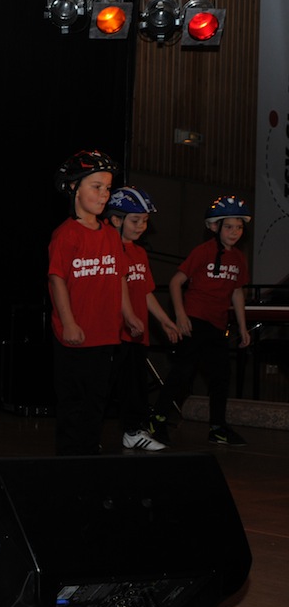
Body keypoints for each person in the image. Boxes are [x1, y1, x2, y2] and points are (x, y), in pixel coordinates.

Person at [48, 150, 143, 456]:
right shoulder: (66, 234)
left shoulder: (112, 236)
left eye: (107, 188)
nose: (104, 194)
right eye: (96, 186)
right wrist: (69, 323)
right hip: (75, 336)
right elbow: (57, 280)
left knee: (96, 401)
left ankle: (89, 455)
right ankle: (68, 458)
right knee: (72, 402)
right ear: (74, 188)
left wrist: (129, 315)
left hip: (105, 335)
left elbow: (120, 278)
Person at [154, 195, 252, 446]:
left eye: (239, 227)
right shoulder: (203, 251)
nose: (235, 232)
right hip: (195, 320)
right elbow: (176, 282)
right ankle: (157, 419)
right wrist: (180, 315)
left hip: (217, 325)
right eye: (229, 227)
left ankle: (217, 428)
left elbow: (237, 292)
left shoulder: (239, 258)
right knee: (183, 372)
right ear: (215, 227)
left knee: (221, 376)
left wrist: (242, 327)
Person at [103, 187, 180, 450]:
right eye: (135, 220)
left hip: (137, 333)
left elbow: (146, 291)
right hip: (112, 333)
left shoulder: (139, 252)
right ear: (116, 219)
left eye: (145, 221)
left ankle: (133, 431)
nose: (141, 227)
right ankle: (86, 436)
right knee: (103, 386)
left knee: (134, 386)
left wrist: (164, 320)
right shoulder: (106, 250)